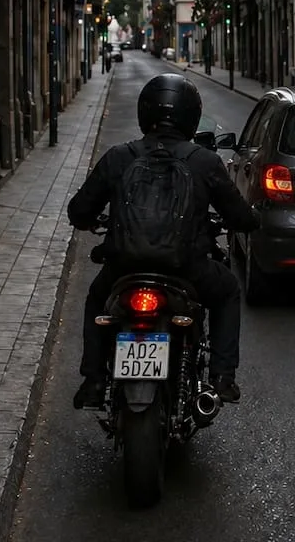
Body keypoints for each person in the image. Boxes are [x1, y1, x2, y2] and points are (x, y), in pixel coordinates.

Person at [67, 73, 257, 410]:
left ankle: (94, 380)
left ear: (144, 111)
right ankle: (222, 377)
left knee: (97, 299)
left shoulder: (119, 156)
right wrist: (247, 221)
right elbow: (240, 217)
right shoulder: (204, 161)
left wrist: (95, 222)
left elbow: (79, 211)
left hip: (125, 267)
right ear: (190, 116)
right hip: (187, 269)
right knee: (227, 291)